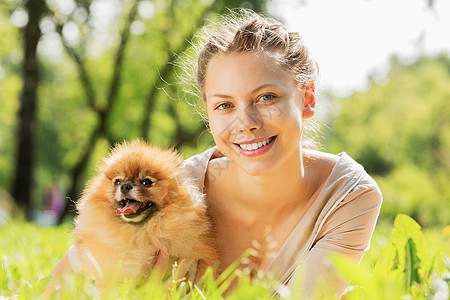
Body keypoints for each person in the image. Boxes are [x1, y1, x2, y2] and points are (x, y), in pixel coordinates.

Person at [47, 9, 382, 298]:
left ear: (307, 99)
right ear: (208, 114)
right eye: (225, 105)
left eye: (266, 97)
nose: (246, 123)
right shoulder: (173, 189)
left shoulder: (346, 196)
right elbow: (56, 286)